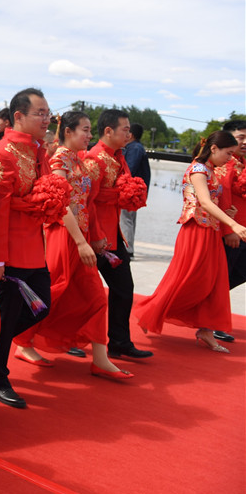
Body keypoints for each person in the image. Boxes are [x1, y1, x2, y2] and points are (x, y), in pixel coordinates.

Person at [13, 112, 133, 379]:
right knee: (54, 290)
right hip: (61, 235)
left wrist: (97, 235)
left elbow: (89, 203)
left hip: (82, 236)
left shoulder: (80, 162)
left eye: (91, 131)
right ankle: (22, 341)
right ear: (68, 132)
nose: (90, 136)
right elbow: (60, 202)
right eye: (85, 130)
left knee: (95, 296)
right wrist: (80, 241)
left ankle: (100, 359)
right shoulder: (59, 160)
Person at [134, 131, 246, 353]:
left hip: (210, 231)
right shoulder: (198, 169)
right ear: (214, 149)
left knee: (214, 283)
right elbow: (204, 201)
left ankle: (206, 329)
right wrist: (232, 224)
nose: (230, 158)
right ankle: (151, 312)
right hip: (196, 231)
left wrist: (227, 213)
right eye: (228, 153)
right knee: (187, 280)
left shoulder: (211, 170)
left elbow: (212, 200)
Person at [0, 88, 53, 409]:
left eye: (48, 113)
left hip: (34, 246)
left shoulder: (38, 150)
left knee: (42, 306)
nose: (46, 119)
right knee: (7, 313)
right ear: (19, 116)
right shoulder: (4, 151)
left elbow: (48, 189)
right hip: (9, 249)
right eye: (40, 113)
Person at [87, 109, 153, 360]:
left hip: (113, 234)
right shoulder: (95, 159)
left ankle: (119, 342)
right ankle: (60, 336)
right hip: (95, 236)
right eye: (125, 130)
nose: (129, 134)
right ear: (108, 131)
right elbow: (88, 200)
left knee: (124, 288)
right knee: (79, 291)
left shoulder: (118, 156)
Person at [215, 119, 246, 344]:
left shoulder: (243, 163)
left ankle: (208, 310)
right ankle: (213, 322)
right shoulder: (226, 163)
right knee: (224, 275)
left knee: (239, 273)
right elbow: (223, 198)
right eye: (241, 137)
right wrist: (228, 230)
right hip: (233, 231)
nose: (245, 142)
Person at [120, 123, 151, 257]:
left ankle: (127, 249)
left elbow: (129, 169)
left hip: (130, 191)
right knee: (129, 219)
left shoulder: (134, 148)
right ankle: (129, 247)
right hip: (134, 191)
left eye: (126, 131)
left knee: (125, 218)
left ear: (131, 135)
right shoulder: (137, 147)